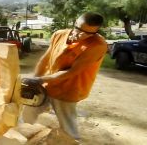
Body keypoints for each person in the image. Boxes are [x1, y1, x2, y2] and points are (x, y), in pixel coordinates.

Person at [21, 12, 108, 141]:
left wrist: (40, 79)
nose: (80, 35)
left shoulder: (97, 45)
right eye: (78, 29)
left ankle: (73, 142)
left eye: (88, 33)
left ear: (96, 31)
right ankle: (22, 138)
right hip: (47, 84)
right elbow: (46, 58)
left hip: (70, 89)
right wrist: (35, 79)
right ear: (75, 23)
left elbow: (72, 72)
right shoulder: (59, 34)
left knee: (68, 127)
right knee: (28, 113)